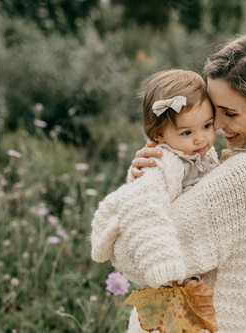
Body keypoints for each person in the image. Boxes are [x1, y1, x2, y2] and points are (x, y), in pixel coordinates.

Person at [116, 32, 246, 332]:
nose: (218, 127)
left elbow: (131, 257)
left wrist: (144, 186)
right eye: (214, 111)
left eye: (230, 113)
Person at [90, 69, 219, 289]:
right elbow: (144, 209)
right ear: (159, 135)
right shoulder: (163, 162)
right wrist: (163, 263)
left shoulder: (201, 154)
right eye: (187, 132)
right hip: (167, 259)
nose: (201, 138)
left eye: (207, 126)